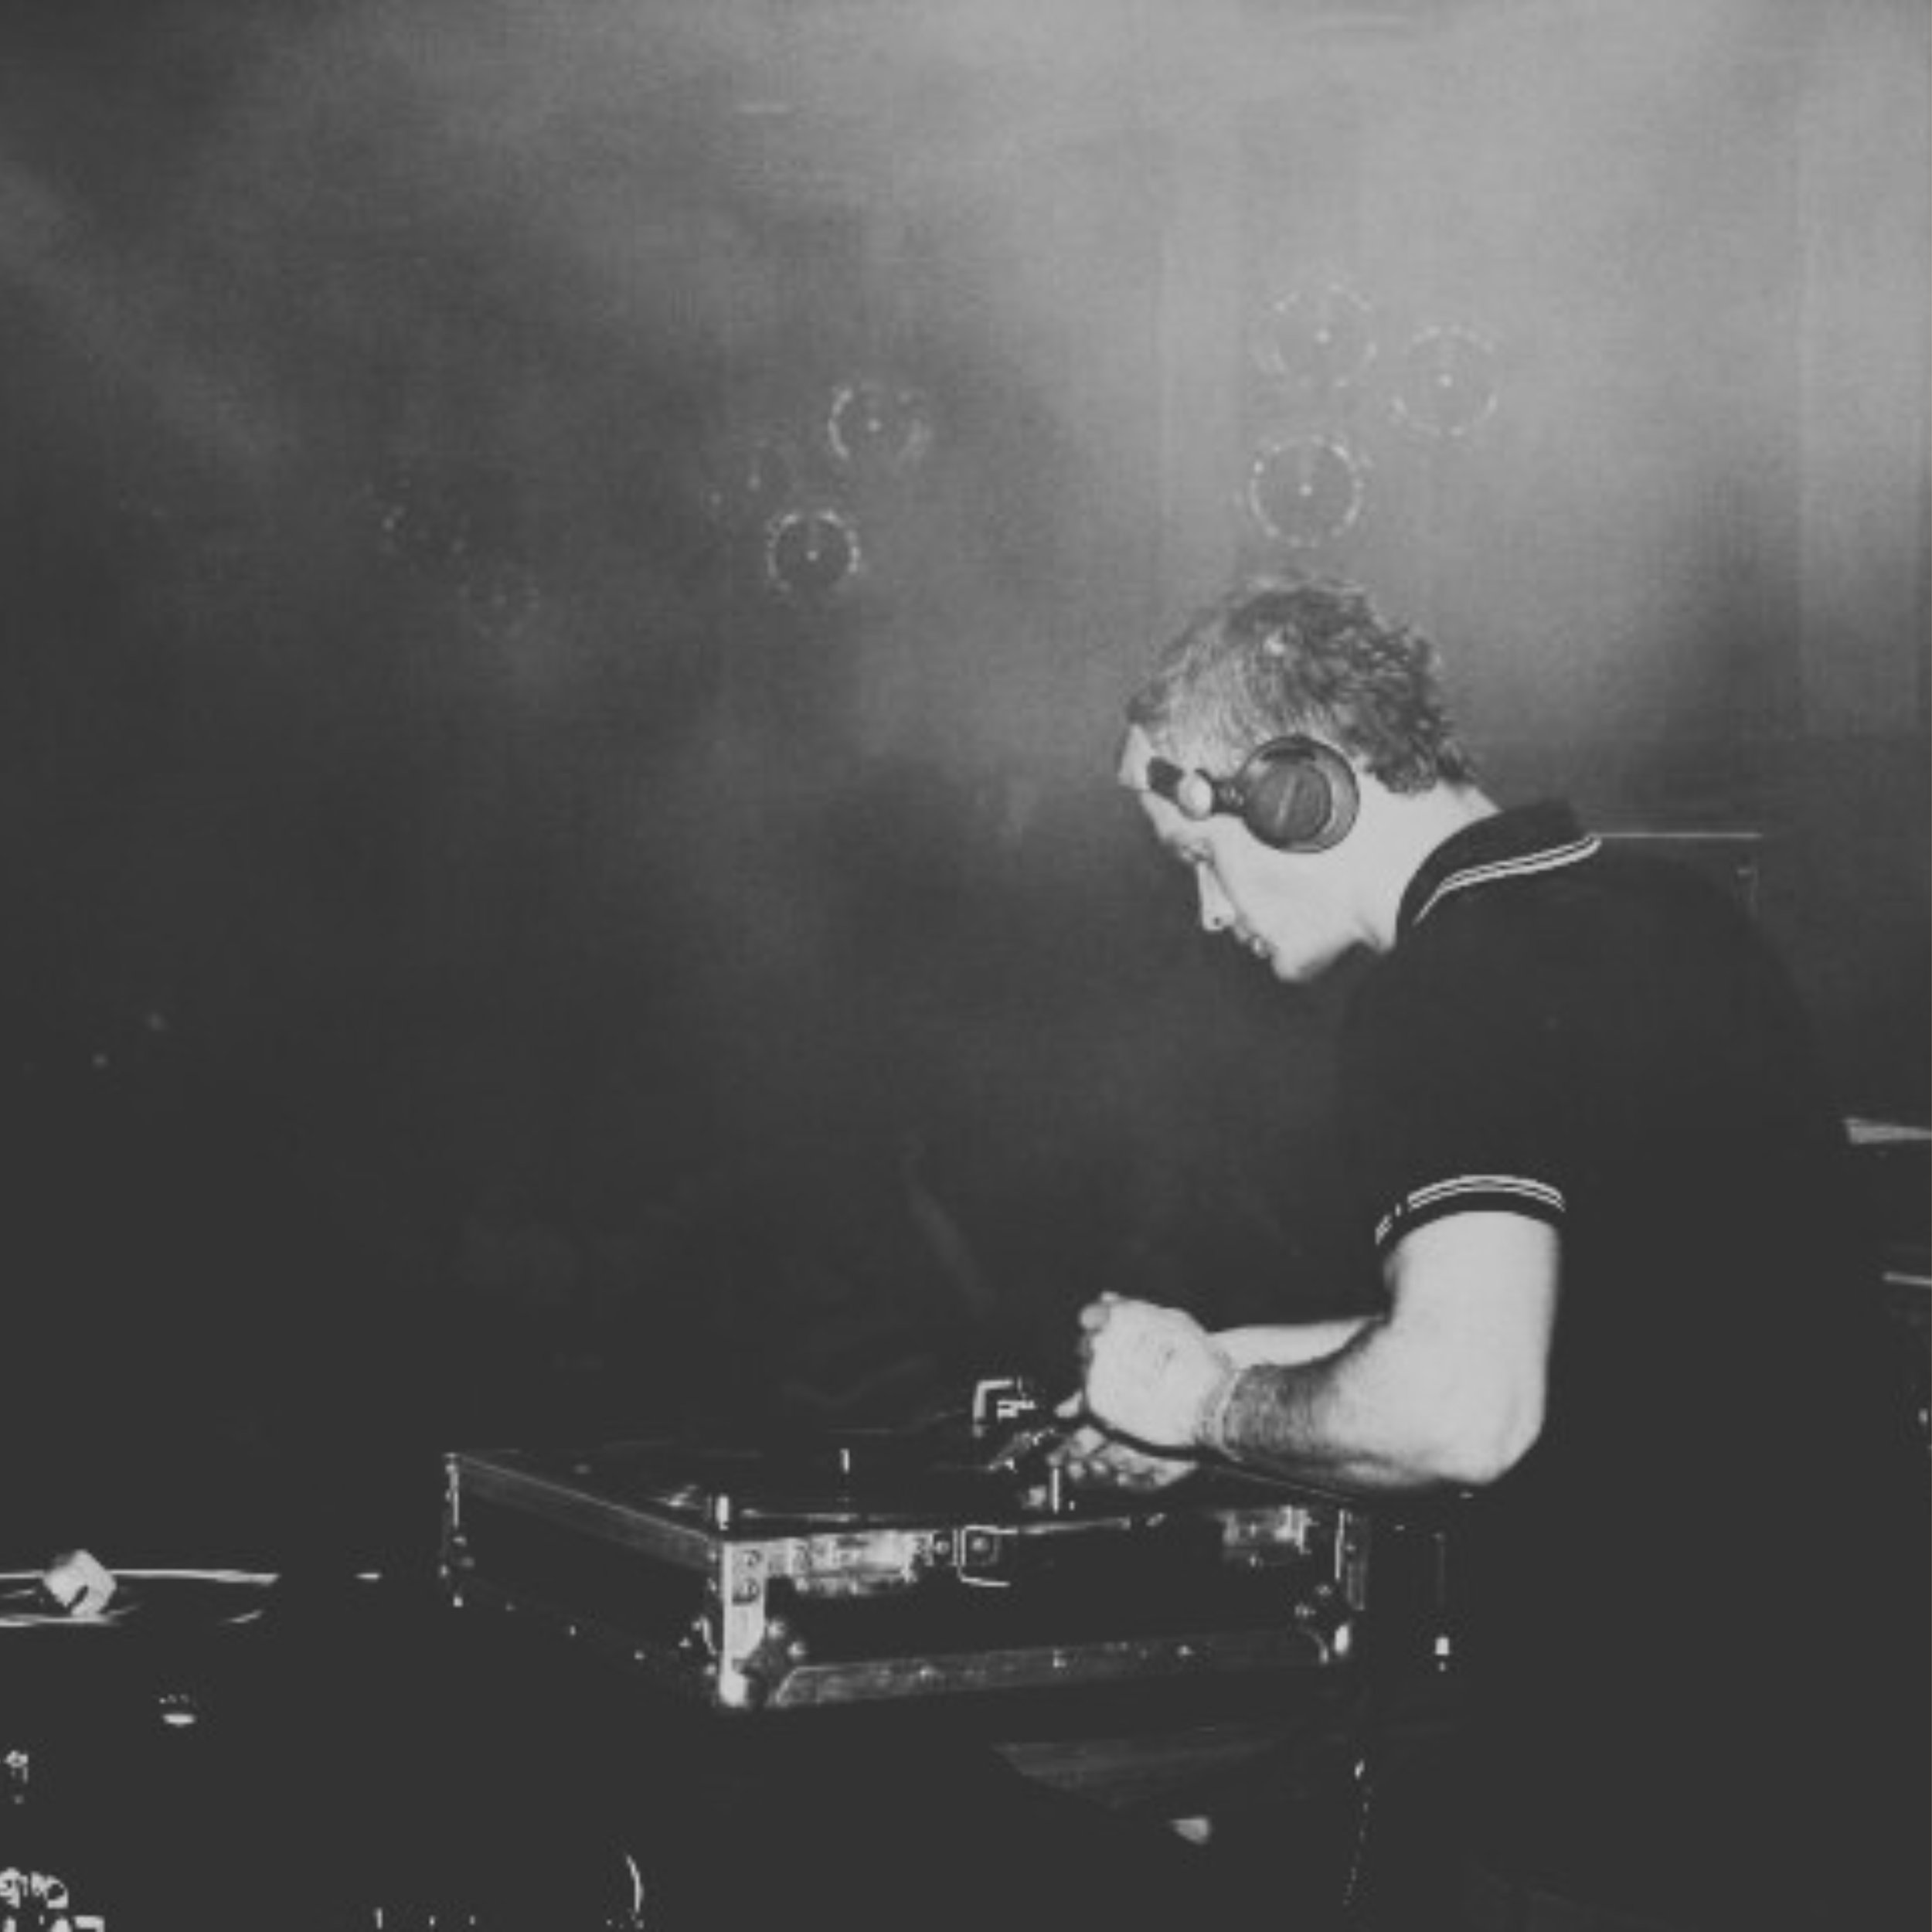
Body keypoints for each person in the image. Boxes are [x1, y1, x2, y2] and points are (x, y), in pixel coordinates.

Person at [1055, 576, 1930, 1932]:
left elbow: (1465, 1409)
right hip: (1856, 1769)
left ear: (1295, 795)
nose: (1207, 915)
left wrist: (1208, 1406)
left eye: (1194, 856)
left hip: (1646, 1810)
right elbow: (1608, 1320)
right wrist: (1219, 1360)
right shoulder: (1678, 916)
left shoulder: (1444, 989)